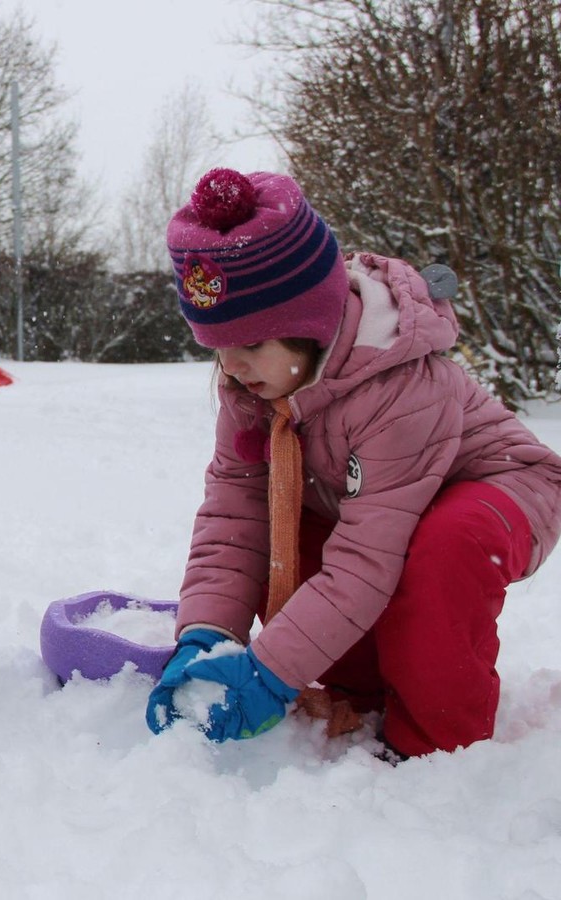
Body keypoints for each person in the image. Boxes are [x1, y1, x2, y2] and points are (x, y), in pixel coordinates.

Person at [146, 167, 561, 758]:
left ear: (308, 324)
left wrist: (271, 671)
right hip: (379, 504)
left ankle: (436, 748)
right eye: (217, 348)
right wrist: (206, 635)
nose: (231, 367)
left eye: (251, 344)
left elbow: (366, 559)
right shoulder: (252, 392)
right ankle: (367, 685)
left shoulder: (400, 387)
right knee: (287, 531)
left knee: (446, 548)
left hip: (498, 489)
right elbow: (233, 522)